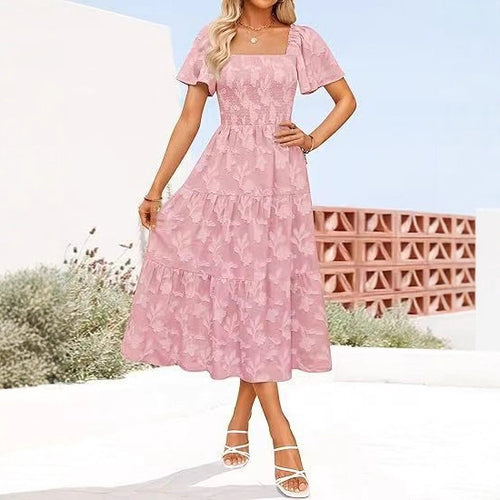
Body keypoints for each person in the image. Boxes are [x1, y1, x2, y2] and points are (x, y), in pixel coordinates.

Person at [121, 0, 356, 497]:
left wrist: (311, 138)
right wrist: (156, 189)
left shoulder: (302, 39)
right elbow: (190, 118)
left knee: (261, 300)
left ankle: (240, 416)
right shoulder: (214, 37)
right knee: (245, 298)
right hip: (224, 178)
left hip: (280, 182)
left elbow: (345, 100)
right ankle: (282, 433)